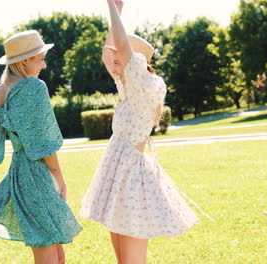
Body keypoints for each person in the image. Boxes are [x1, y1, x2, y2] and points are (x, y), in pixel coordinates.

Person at [80, 1, 207, 263]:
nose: (114, 65)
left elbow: (123, 52)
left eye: (120, 60)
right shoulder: (129, 88)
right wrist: (117, 7)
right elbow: (109, 54)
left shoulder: (147, 86)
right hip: (118, 176)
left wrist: (109, 5)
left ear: (136, 63)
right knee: (120, 254)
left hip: (132, 180)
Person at [0, 30, 82, 264]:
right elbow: (43, 144)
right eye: (40, 58)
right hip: (37, 176)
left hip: (19, 177)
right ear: (24, 61)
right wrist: (60, 181)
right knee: (49, 251)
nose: (43, 65)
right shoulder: (34, 88)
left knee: (55, 252)